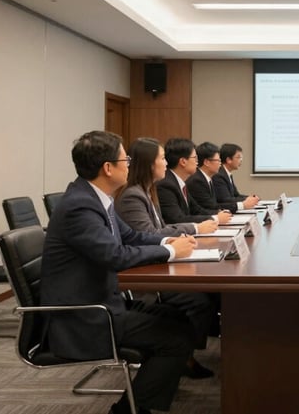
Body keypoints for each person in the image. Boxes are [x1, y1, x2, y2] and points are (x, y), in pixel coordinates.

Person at [40, 131, 196, 414]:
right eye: (126, 160)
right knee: (176, 339)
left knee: (178, 317)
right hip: (83, 316)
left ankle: (147, 394)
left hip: (103, 301)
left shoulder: (96, 197)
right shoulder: (80, 206)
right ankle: (126, 410)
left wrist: (168, 241)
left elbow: (132, 236)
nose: (129, 165)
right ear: (108, 168)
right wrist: (171, 253)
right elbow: (115, 256)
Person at [115, 137, 221, 377]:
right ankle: (184, 358)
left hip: (155, 262)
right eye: (162, 159)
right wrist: (186, 235)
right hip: (145, 275)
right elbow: (147, 235)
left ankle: (186, 354)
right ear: (148, 164)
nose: (166, 163)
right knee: (199, 300)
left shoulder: (147, 191)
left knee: (207, 295)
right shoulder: (132, 195)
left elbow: (160, 229)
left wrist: (178, 238)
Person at [156, 138, 232, 225]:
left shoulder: (180, 182)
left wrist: (217, 213)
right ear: (183, 162)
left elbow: (196, 210)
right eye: (195, 158)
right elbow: (176, 219)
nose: (197, 162)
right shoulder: (166, 185)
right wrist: (215, 218)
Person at [186, 141, 233, 212]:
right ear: (206, 162)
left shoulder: (208, 178)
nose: (220, 164)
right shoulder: (197, 181)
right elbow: (210, 206)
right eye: (218, 160)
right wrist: (240, 205)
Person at [212, 143, 259, 212]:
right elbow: (225, 199)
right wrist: (247, 200)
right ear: (228, 160)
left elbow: (236, 195)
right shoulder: (219, 175)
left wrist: (250, 198)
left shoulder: (227, 174)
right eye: (238, 157)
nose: (241, 160)